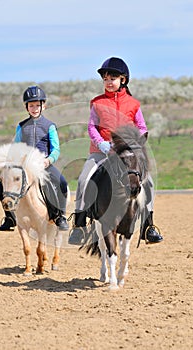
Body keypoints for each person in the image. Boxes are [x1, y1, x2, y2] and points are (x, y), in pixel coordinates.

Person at [68, 56, 163, 245]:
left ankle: (148, 226)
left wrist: (135, 142)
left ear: (123, 80)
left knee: (149, 183)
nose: (108, 82)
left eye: (112, 78)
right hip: (101, 151)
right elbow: (91, 127)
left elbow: (142, 127)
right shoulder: (97, 102)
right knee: (83, 180)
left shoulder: (133, 104)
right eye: (105, 79)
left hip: (127, 154)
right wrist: (101, 143)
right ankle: (79, 225)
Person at [0, 85, 69, 231]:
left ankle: (59, 215)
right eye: (31, 105)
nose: (35, 108)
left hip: (44, 165)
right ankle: (10, 218)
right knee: (1, 185)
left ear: (44, 105)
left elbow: (56, 149)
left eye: (38, 105)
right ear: (27, 107)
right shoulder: (21, 126)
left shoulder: (50, 126)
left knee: (61, 182)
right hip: (25, 167)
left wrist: (48, 160)